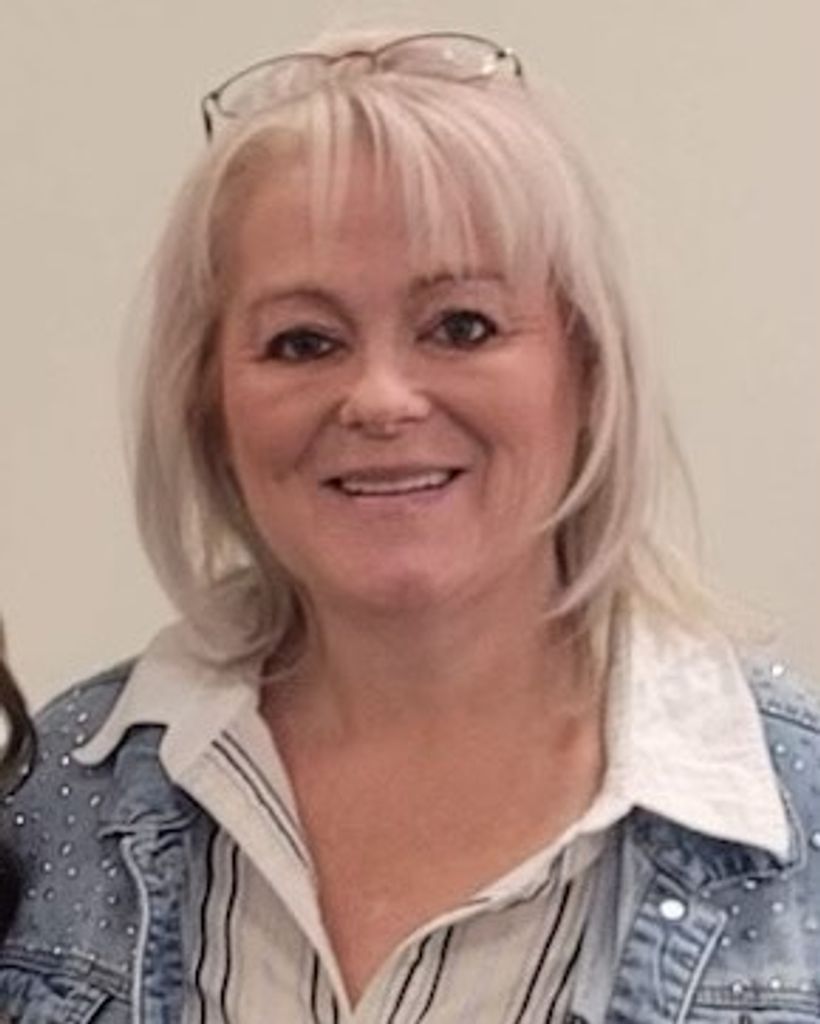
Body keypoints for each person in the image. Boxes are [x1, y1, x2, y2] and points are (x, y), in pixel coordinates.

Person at [1, 28, 819, 1023]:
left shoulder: (797, 820)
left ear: (586, 372)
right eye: (303, 342)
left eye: (461, 326)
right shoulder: (48, 805)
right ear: (208, 403)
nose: (381, 399)